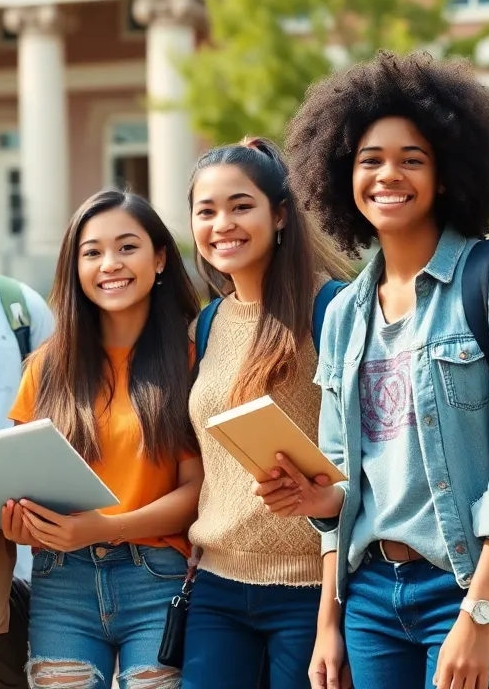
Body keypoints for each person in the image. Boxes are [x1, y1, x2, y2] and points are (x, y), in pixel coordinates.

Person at [267, 51, 489, 689]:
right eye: (370, 160)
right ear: (341, 173)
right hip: (373, 599)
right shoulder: (345, 314)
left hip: (466, 589)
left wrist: (479, 611)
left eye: (413, 159)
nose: (389, 175)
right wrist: (330, 614)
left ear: (448, 173)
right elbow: (343, 480)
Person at [1, 189, 203, 689]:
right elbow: (19, 478)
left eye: (127, 247)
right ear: (75, 268)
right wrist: (20, 523)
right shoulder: (46, 367)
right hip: (61, 582)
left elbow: (199, 493)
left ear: (159, 258)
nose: (109, 264)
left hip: (157, 577)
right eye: (92, 252)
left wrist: (103, 527)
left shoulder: (192, 358)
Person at [180, 139, 351, 689]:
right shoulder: (206, 325)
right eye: (206, 212)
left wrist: (332, 623)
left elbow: (369, 462)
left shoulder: (333, 311)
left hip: (310, 591)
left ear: (280, 215)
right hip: (216, 588)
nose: (222, 224)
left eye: (240, 206)